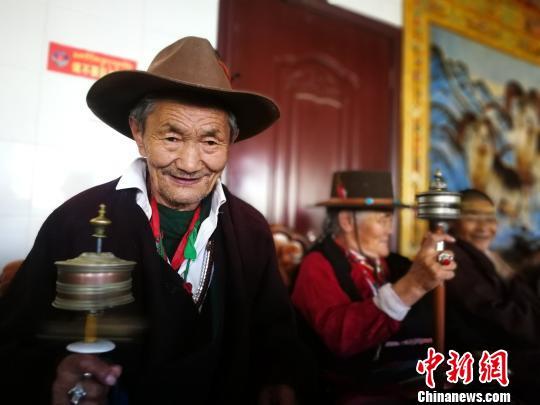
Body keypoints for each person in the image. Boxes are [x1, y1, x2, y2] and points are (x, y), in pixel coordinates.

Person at [0, 36, 310, 405]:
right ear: (139, 132)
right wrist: (52, 378)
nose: (190, 163)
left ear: (231, 141)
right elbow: (13, 341)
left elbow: (276, 336)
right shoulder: (76, 221)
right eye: (172, 137)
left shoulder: (250, 229)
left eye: (211, 142)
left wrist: (278, 380)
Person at [291, 171, 457, 401]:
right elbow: (340, 338)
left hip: (410, 379)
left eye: (391, 220)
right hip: (350, 392)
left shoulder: (393, 264)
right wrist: (412, 286)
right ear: (347, 221)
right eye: (383, 220)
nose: (390, 230)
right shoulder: (317, 265)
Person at [446, 189, 540, 399]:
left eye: (490, 218)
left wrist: (512, 274)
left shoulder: (481, 256)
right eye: (472, 218)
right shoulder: (451, 257)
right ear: (452, 220)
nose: (484, 227)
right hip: (475, 363)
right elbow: (494, 315)